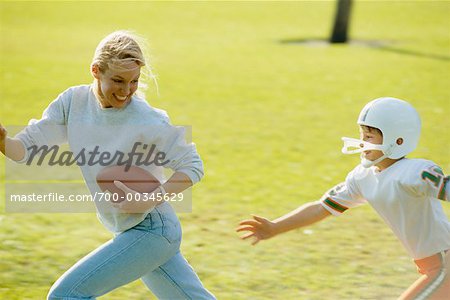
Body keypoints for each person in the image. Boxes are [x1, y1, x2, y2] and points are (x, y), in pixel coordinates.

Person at [0, 30, 215, 299]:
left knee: (66, 295)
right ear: (95, 70)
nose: (126, 91)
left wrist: (147, 199)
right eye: (118, 80)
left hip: (153, 229)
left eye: (134, 82)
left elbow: (193, 166)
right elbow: (25, 150)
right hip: (132, 230)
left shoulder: (148, 120)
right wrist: (3, 140)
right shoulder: (73, 103)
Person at [237, 97, 450, 300]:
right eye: (362, 135)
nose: (362, 142)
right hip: (431, 264)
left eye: (369, 136)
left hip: (444, 265)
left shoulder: (415, 172)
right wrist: (275, 227)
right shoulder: (362, 177)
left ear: (398, 140)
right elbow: (322, 207)